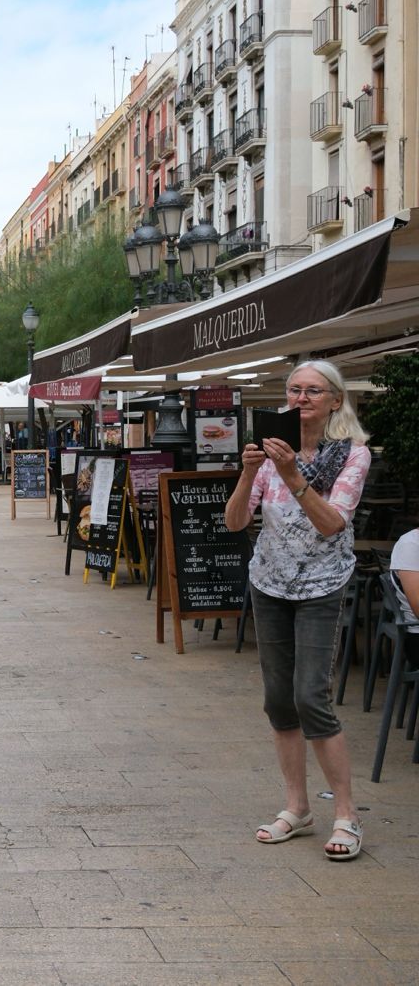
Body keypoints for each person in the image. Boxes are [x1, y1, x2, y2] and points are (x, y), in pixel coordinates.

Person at [225, 360, 371, 861]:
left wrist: (291, 475)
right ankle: (297, 807)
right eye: (294, 390)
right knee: (278, 700)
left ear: (335, 401)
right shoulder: (270, 453)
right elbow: (235, 522)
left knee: (311, 696)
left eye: (313, 391)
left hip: (321, 585)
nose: (301, 399)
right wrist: (250, 472)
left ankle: (347, 814)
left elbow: (332, 524)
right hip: (270, 583)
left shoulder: (352, 455)